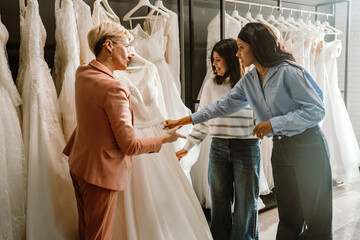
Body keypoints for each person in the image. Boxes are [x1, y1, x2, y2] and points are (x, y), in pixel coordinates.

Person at [165, 22, 332, 240]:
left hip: (308, 147)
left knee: (316, 219)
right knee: (289, 218)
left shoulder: (288, 72)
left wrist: (273, 124)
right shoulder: (250, 80)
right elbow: (223, 105)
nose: (237, 53)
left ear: (256, 46)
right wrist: (187, 118)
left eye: (241, 47)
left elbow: (316, 111)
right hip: (281, 149)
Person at [63, 22, 184, 240]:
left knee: (86, 231)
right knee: (99, 235)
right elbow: (130, 145)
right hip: (100, 172)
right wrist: (165, 139)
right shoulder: (115, 88)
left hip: (79, 164)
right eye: (127, 45)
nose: (132, 53)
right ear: (109, 45)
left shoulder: (83, 72)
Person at [176, 38, 261, 240]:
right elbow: (204, 120)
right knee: (219, 203)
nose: (214, 65)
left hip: (246, 148)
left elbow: (262, 115)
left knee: (246, 203)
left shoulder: (251, 82)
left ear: (232, 59)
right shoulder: (211, 85)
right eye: (213, 60)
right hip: (219, 148)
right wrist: (187, 146)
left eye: (218, 60)